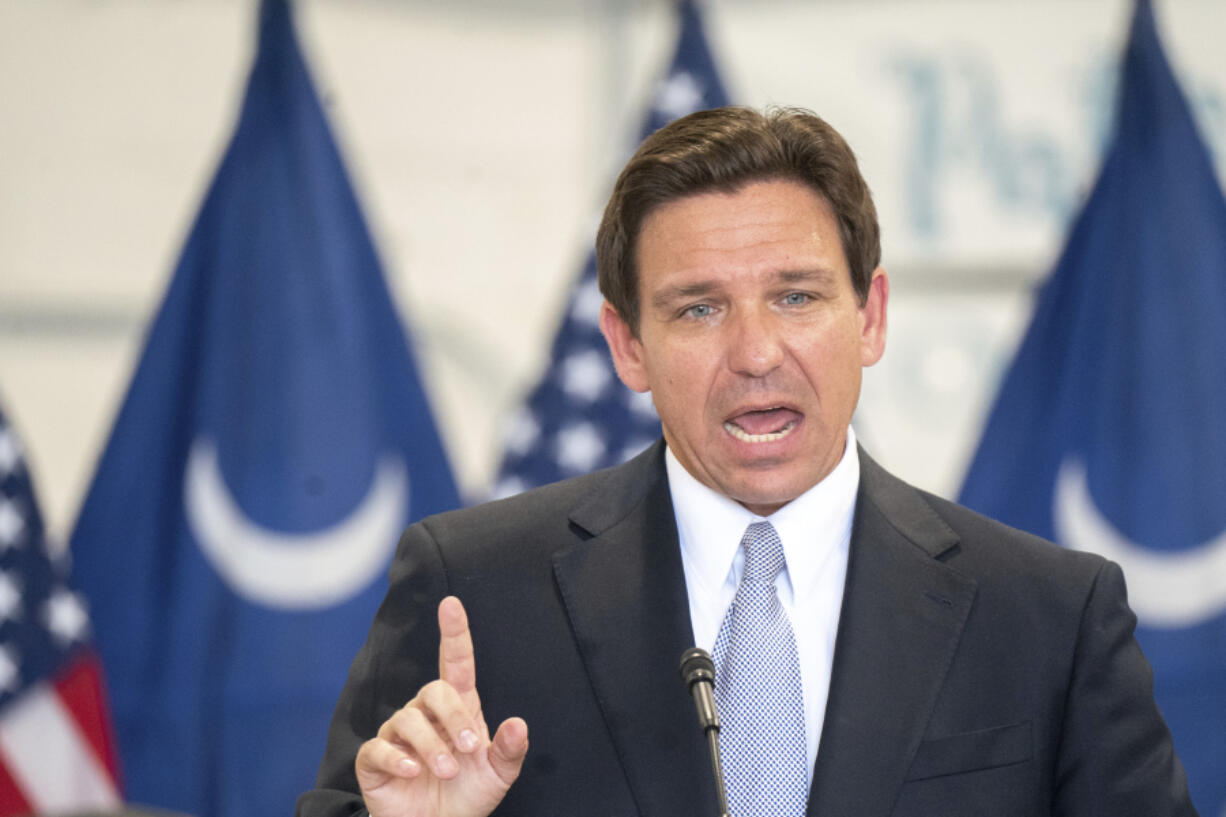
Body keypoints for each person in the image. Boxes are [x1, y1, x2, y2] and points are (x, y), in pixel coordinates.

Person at [296, 107, 1197, 817]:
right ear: (627, 345)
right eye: (698, 309)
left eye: (796, 296)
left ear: (870, 316)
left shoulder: (1048, 617)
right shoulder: (476, 592)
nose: (757, 351)